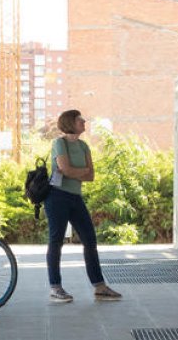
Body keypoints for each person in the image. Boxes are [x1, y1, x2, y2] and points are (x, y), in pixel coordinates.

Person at [44, 110, 122, 304]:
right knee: (56, 241)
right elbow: (65, 169)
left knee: (90, 239)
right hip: (57, 196)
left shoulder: (84, 145)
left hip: (75, 197)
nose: (84, 121)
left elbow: (90, 176)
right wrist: (79, 171)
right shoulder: (59, 143)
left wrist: (74, 171)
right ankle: (55, 287)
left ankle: (99, 287)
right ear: (71, 123)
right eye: (80, 120)